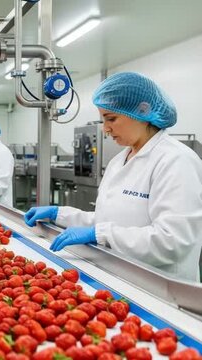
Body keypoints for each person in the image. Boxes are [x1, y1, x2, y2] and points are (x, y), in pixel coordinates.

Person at [24, 72, 202, 282]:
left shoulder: (176, 160)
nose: (105, 129)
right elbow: (107, 220)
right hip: (119, 277)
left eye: (111, 118)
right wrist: (59, 214)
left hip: (162, 289)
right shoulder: (120, 160)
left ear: (142, 111)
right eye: (103, 120)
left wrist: (101, 235)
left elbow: (172, 242)